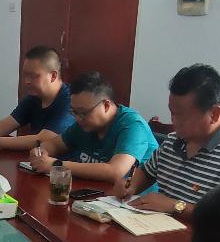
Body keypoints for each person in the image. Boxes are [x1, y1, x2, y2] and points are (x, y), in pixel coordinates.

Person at [118, 64, 220, 218]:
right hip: (153, 227)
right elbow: (146, 173)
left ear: (214, 114)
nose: (173, 121)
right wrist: (131, 184)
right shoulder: (173, 140)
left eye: (182, 116)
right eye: (172, 112)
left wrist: (176, 206)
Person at [26, 70, 158, 184]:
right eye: (74, 112)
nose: (78, 118)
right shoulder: (85, 124)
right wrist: (41, 152)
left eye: (83, 112)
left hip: (134, 201)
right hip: (93, 193)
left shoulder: (132, 125)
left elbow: (115, 172)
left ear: (106, 105)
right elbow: (55, 144)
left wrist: (56, 165)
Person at [0, 46, 75, 151]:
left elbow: (44, 139)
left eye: (34, 76)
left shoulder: (71, 100)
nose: (27, 81)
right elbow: (4, 126)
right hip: (37, 159)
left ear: (53, 76)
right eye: (25, 75)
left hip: (62, 164)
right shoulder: (33, 98)